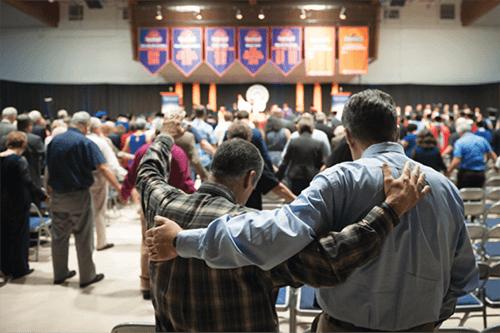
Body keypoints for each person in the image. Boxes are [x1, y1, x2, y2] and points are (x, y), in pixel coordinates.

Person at [149, 89, 478, 331]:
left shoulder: (339, 180)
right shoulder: (443, 186)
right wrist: (428, 319)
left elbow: (274, 236)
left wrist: (183, 242)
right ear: (396, 128)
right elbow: (463, 275)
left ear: (348, 136)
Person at [138, 131, 429, 332]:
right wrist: (391, 209)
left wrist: (165, 136)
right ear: (251, 179)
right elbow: (330, 262)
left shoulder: (163, 204)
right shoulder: (254, 229)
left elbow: (148, 171)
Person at [120, 119, 195, 300]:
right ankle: (168, 283)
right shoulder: (178, 152)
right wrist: (196, 196)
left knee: (147, 242)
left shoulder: (142, 151)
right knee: (172, 243)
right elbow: (186, 181)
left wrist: (124, 192)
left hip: (149, 205)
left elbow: (132, 175)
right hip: (175, 206)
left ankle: (145, 284)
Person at [46, 111, 118, 288]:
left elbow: (48, 168)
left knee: (59, 237)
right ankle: (87, 276)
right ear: (86, 126)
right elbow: (103, 167)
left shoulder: (54, 141)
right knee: (83, 236)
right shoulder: (85, 142)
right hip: (79, 195)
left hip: (57, 195)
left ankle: (60, 273)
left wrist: (49, 191)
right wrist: (119, 188)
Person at [1, 131, 46, 279]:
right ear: (24, 144)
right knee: (20, 236)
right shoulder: (19, 160)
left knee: (4, 235)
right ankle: (20, 269)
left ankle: (5, 267)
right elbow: (27, 182)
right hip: (17, 202)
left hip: (2, 202)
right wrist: (42, 195)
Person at [227, 121, 296, 209]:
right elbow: (277, 187)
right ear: (249, 138)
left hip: (225, 210)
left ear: (228, 137)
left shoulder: (220, 157)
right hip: (248, 211)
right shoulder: (251, 159)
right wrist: (296, 200)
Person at [87, 118, 124, 251]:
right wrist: (123, 180)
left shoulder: (82, 140)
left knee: (85, 212)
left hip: (81, 179)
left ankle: (87, 242)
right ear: (98, 128)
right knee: (99, 211)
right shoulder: (100, 142)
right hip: (98, 178)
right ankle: (101, 242)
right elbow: (111, 165)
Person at [278, 118, 324, 195]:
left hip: (295, 175)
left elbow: (285, 161)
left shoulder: (293, 142)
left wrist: (279, 176)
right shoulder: (318, 143)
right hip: (311, 176)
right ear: (311, 129)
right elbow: (320, 163)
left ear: (299, 128)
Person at [446, 121, 497, 188]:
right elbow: (493, 155)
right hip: (480, 173)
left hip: (465, 174)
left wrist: (448, 171)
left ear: (460, 132)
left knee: (464, 195)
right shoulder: (482, 140)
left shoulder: (460, 142)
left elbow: (457, 160)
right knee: (478, 194)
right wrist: (496, 167)